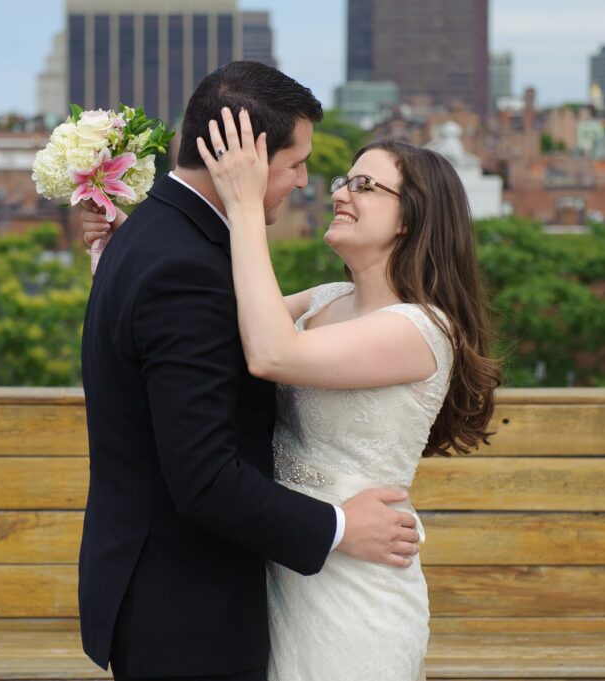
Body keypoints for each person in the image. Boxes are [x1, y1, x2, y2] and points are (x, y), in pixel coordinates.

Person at [78, 61, 422, 681]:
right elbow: (205, 478)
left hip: (188, 593)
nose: (305, 182)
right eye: (296, 164)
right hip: (188, 610)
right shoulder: (184, 269)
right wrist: (343, 526)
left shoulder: (154, 237)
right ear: (247, 158)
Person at [190, 109, 501, 680]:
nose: (340, 193)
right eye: (342, 181)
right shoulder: (324, 299)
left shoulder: (421, 330)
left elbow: (271, 354)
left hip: (358, 591)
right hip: (289, 558)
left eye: (365, 185)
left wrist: (243, 208)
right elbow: (203, 334)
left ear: (411, 217)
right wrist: (120, 256)